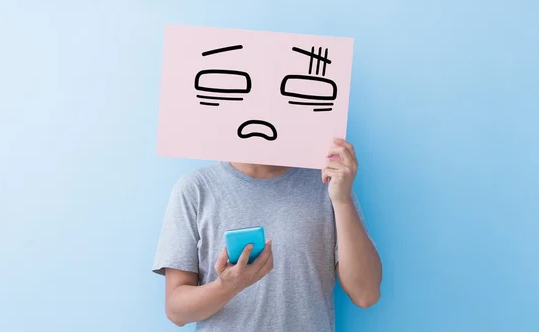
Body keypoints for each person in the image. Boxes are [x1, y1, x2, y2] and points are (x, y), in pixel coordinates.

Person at [152, 138, 382, 331]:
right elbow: (176, 311)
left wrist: (341, 200)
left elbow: (366, 295)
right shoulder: (195, 189)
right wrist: (228, 286)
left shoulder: (328, 183)